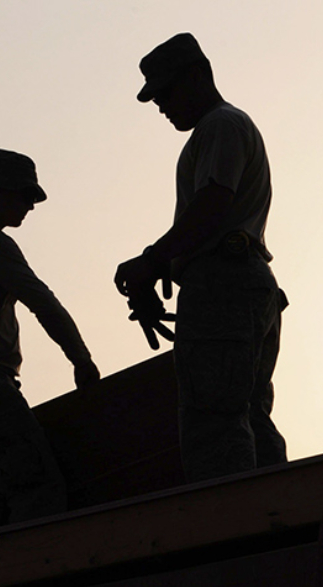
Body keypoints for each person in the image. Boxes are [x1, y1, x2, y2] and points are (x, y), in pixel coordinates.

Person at [114, 33, 288, 482]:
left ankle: (234, 537)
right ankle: (280, 526)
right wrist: (166, 270)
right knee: (248, 417)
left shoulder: (220, 125)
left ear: (198, 75)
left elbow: (213, 204)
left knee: (214, 424)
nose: (161, 106)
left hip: (225, 286)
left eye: (166, 93)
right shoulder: (221, 130)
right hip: (242, 284)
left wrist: (153, 261)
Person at [0, 149, 99, 533]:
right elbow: (42, 302)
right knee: (37, 491)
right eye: (24, 196)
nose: (30, 206)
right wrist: (81, 359)